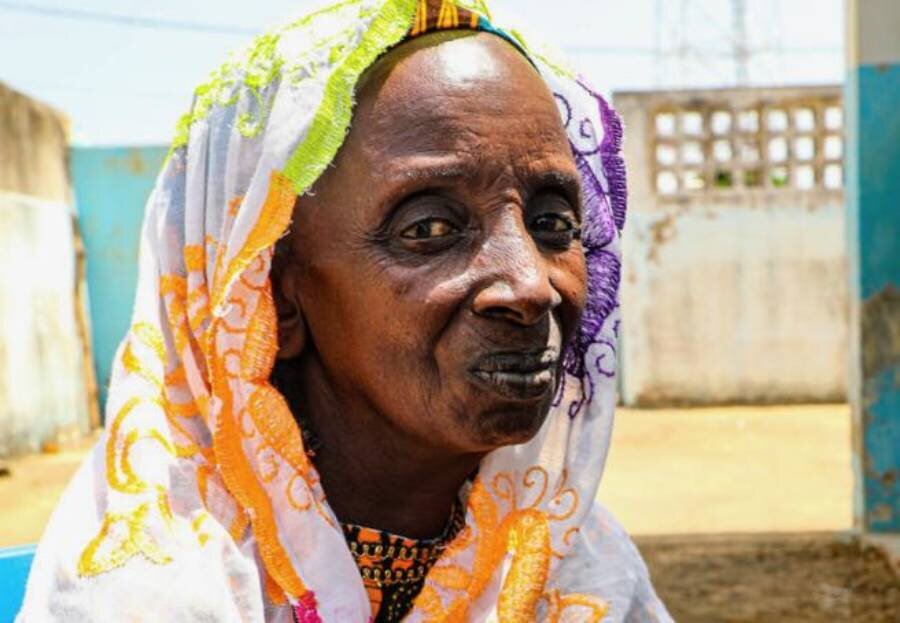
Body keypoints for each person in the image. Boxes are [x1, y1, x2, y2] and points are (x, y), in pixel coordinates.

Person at [18, 1, 671, 621]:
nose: (531, 284)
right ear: (274, 298)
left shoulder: (575, 566)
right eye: (431, 229)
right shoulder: (150, 587)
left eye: (553, 221)